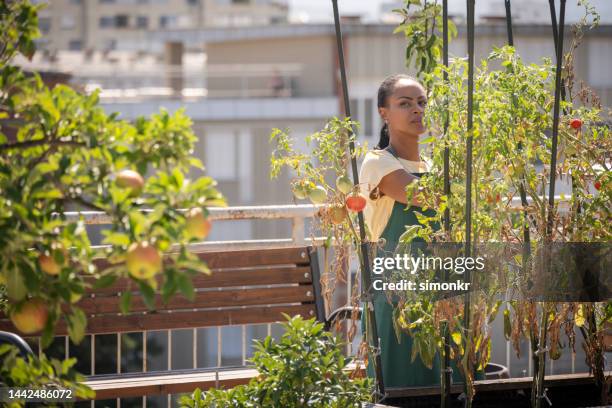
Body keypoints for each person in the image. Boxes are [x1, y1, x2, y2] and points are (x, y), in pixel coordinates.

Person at [359, 74, 459, 388]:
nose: (417, 110)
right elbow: (426, 198)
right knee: (401, 389)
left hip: (441, 290)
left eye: (421, 102)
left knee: (451, 386)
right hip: (396, 294)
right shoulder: (377, 162)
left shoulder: (433, 166)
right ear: (384, 113)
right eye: (405, 104)